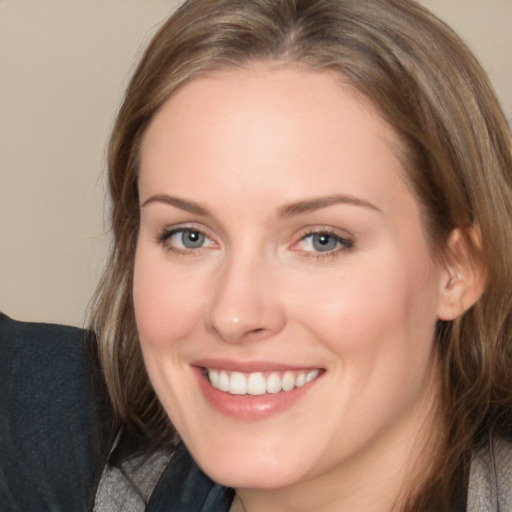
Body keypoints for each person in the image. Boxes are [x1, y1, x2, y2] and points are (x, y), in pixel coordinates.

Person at [2, 0, 511, 511]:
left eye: (321, 240)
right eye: (189, 236)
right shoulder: (67, 443)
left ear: (458, 268)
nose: (235, 314)